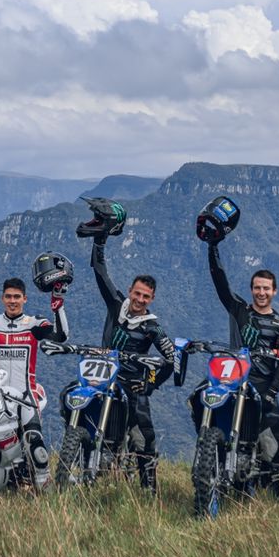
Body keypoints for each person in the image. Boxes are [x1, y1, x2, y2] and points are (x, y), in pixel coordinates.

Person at [77, 197, 175, 492]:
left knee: (143, 439)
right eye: (137, 293)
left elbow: (171, 359)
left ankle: (149, 491)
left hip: (132, 387)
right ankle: (84, 476)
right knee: (80, 420)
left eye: (146, 296)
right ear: (130, 291)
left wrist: (150, 385)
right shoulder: (116, 305)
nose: (139, 299)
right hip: (101, 380)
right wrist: (100, 240)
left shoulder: (153, 327)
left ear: (151, 299)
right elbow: (100, 272)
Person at [205, 242, 279, 491]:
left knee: (274, 443)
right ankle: (213, 455)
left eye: (266, 288)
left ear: (274, 291)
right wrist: (213, 248)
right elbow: (221, 283)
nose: (261, 292)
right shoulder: (239, 310)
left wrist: (272, 392)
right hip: (232, 379)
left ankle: (272, 487)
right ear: (251, 289)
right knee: (199, 397)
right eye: (256, 288)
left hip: (264, 384)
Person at [0, 274, 70, 487]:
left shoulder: (33, 324)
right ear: (2, 299)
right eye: (8, 296)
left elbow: (62, 336)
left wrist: (58, 306)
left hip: (26, 396)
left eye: (17, 297)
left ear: (25, 299)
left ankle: (45, 490)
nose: (12, 301)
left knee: (36, 445)